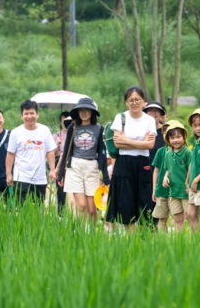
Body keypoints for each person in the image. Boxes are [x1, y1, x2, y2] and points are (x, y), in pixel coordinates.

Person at [106, 86, 156, 229]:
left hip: (142, 164)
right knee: (125, 202)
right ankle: (129, 240)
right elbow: (117, 142)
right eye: (131, 100)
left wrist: (126, 140)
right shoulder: (120, 117)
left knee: (143, 201)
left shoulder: (149, 120)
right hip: (124, 163)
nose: (134, 103)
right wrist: (141, 143)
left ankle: (141, 239)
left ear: (143, 101)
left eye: (137, 99)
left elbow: (150, 145)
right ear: (126, 102)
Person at [56, 97, 110, 222]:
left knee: (92, 209)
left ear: (92, 112)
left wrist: (105, 175)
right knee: (81, 206)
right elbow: (66, 152)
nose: (84, 113)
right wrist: (60, 174)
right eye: (81, 110)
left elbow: (102, 153)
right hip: (75, 166)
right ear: (77, 112)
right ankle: (83, 234)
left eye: (87, 110)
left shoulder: (98, 128)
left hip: (92, 166)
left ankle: (92, 234)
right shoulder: (73, 127)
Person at [6, 100, 57, 205]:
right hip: (21, 177)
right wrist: (8, 174)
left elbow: (50, 152)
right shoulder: (16, 132)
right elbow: (10, 154)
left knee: (37, 209)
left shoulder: (45, 130)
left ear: (37, 114)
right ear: (22, 116)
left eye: (32, 113)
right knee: (20, 209)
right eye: (26, 113)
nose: (29, 116)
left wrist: (52, 170)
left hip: (39, 178)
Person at [162, 120, 191, 232]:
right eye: (172, 138)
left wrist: (188, 183)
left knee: (189, 217)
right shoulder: (168, 154)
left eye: (178, 137)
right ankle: (180, 241)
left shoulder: (187, 152)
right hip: (173, 192)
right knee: (177, 219)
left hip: (185, 191)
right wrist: (165, 177)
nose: (176, 140)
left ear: (184, 137)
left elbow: (190, 168)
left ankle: (194, 240)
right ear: (168, 140)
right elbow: (168, 169)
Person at [151, 127, 170, 232]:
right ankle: (162, 240)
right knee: (161, 217)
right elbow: (156, 171)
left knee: (178, 217)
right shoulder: (160, 151)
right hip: (161, 190)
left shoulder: (183, 151)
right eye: (164, 132)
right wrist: (154, 189)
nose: (166, 134)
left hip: (176, 190)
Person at [53, 111, 71, 214]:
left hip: (71, 163)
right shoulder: (56, 135)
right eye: (63, 120)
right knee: (60, 189)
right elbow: (51, 153)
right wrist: (57, 143)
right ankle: (60, 213)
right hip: (59, 164)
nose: (65, 122)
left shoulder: (74, 133)